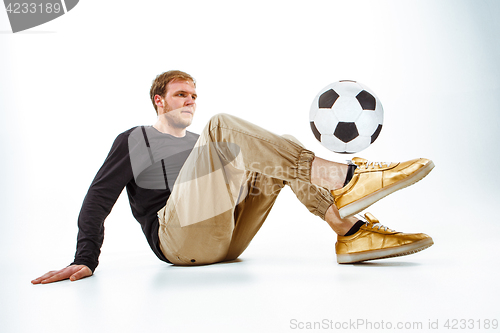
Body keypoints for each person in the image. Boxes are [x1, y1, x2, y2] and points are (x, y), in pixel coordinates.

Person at [31, 70, 434, 284]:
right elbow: (98, 197)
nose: (190, 101)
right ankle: (344, 176)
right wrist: (85, 257)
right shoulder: (136, 139)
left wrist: (252, 171)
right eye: (180, 95)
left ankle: (349, 231)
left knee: (280, 151)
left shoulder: (198, 147)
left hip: (227, 241)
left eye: (193, 96)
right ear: (159, 100)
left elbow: (241, 176)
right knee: (222, 125)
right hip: (176, 240)